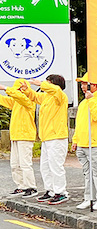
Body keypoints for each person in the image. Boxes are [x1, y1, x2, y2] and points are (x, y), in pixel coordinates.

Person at [23, 76, 70, 204]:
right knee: (45, 166)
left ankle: (61, 192)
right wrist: (27, 90)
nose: (45, 85)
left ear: (54, 84)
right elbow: (34, 96)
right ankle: (50, 190)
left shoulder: (60, 96)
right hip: (46, 137)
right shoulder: (46, 97)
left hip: (57, 137)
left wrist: (42, 83)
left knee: (56, 166)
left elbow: (56, 91)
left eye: (49, 82)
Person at [71, 74, 97, 210]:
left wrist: (92, 100)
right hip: (83, 143)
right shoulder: (83, 103)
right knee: (87, 173)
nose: (83, 87)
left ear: (94, 85)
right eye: (81, 84)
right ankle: (89, 198)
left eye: (85, 84)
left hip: (95, 143)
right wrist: (75, 140)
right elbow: (80, 124)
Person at [0, 79, 37, 197]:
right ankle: (21, 186)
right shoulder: (16, 102)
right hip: (16, 136)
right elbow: (4, 100)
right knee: (15, 164)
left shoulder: (29, 101)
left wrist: (5, 88)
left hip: (25, 136)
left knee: (25, 164)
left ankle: (31, 187)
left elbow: (20, 97)